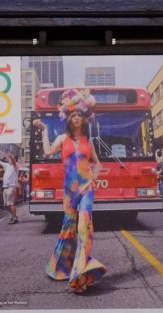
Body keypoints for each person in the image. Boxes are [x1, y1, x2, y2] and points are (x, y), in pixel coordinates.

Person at [33, 108, 107, 294]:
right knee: (69, 229)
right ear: (69, 119)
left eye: (79, 116)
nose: (76, 118)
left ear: (83, 119)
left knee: (84, 228)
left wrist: (93, 179)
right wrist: (44, 130)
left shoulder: (87, 141)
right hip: (70, 190)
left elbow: (98, 163)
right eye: (73, 116)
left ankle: (80, 275)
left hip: (87, 188)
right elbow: (48, 152)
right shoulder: (62, 139)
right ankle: (60, 266)